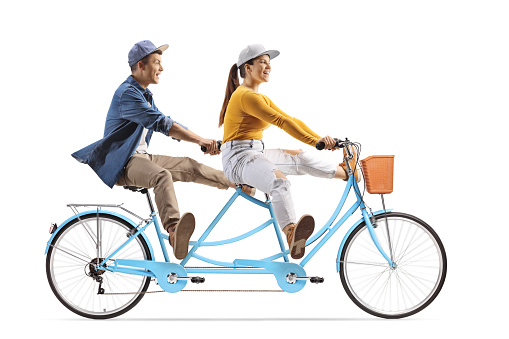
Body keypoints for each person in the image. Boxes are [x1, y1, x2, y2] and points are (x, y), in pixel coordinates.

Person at [72, 40, 253, 260]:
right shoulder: (127, 94)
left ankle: (238, 184)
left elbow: (166, 121)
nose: (161, 68)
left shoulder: (144, 94)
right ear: (141, 65)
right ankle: (175, 232)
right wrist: (199, 140)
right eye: (157, 62)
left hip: (140, 157)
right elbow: (161, 124)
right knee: (162, 176)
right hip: (123, 163)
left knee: (188, 164)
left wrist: (203, 142)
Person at [219, 44, 360, 259]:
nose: (268, 66)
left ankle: (346, 172)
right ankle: (291, 233)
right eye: (262, 62)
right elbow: (281, 122)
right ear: (247, 68)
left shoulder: (258, 97)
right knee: (280, 181)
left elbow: (290, 119)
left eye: (269, 62)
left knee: (298, 156)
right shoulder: (246, 96)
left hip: (254, 153)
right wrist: (316, 141)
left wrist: (320, 139)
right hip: (238, 160)